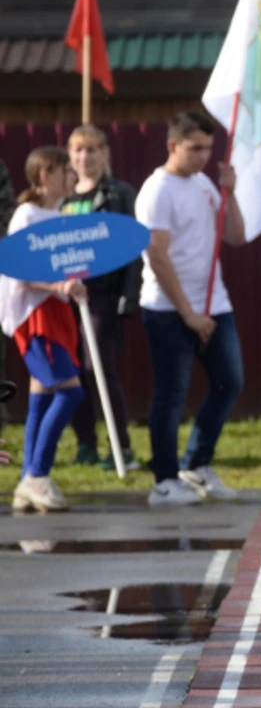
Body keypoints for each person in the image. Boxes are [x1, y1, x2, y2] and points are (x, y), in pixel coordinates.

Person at [135, 111, 247, 507]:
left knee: (229, 381)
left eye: (208, 148)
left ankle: (196, 464)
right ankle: (164, 480)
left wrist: (229, 192)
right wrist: (187, 313)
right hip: (168, 309)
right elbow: (158, 256)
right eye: (194, 148)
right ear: (173, 145)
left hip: (215, 302)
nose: (203, 156)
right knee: (171, 393)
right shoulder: (156, 190)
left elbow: (235, 236)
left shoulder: (204, 185)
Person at [4, 147, 86, 512]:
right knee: (70, 393)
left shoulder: (62, 215)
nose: (72, 175)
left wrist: (75, 283)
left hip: (59, 312)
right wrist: (57, 286)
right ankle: (38, 475)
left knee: (40, 399)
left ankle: (26, 484)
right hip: (36, 316)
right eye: (64, 169)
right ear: (44, 176)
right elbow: (17, 268)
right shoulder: (27, 215)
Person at [59, 124, 141, 471]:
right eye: (78, 150)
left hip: (102, 296)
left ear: (104, 154)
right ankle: (85, 445)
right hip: (64, 300)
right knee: (72, 371)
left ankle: (120, 447)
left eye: (91, 149)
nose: (85, 157)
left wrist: (127, 296)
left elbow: (132, 250)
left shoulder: (117, 194)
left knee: (98, 369)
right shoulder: (63, 198)